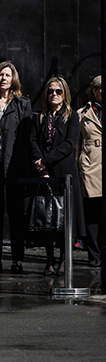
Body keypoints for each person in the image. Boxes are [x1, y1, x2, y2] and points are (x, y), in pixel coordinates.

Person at [0, 61, 33, 274]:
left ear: (13, 79)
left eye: (7, 75)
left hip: (14, 166)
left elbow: (28, 137)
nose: (4, 78)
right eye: (0, 74)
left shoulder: (22, 104)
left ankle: (17, 259)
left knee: (15, 214)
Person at [30, 77, 85, 276]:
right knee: (48, 218)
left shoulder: (71, 117)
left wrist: (47, 160)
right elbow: (33, 140)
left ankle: (64, 259)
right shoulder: (40, 116)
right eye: (51, 91)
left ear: (65, 94)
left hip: (65, 172)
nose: (54, 94)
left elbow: (69, 144)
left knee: (66, 219)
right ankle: (49, 260)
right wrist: (41, 166)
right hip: (45, 173)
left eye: (58, 91)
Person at [77, 75, 101, 268]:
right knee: (92, 212)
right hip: (91, 165)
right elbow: (77, 143)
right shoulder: (82, 113)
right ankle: (94, 254)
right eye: (99, 88)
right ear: (94, 91)